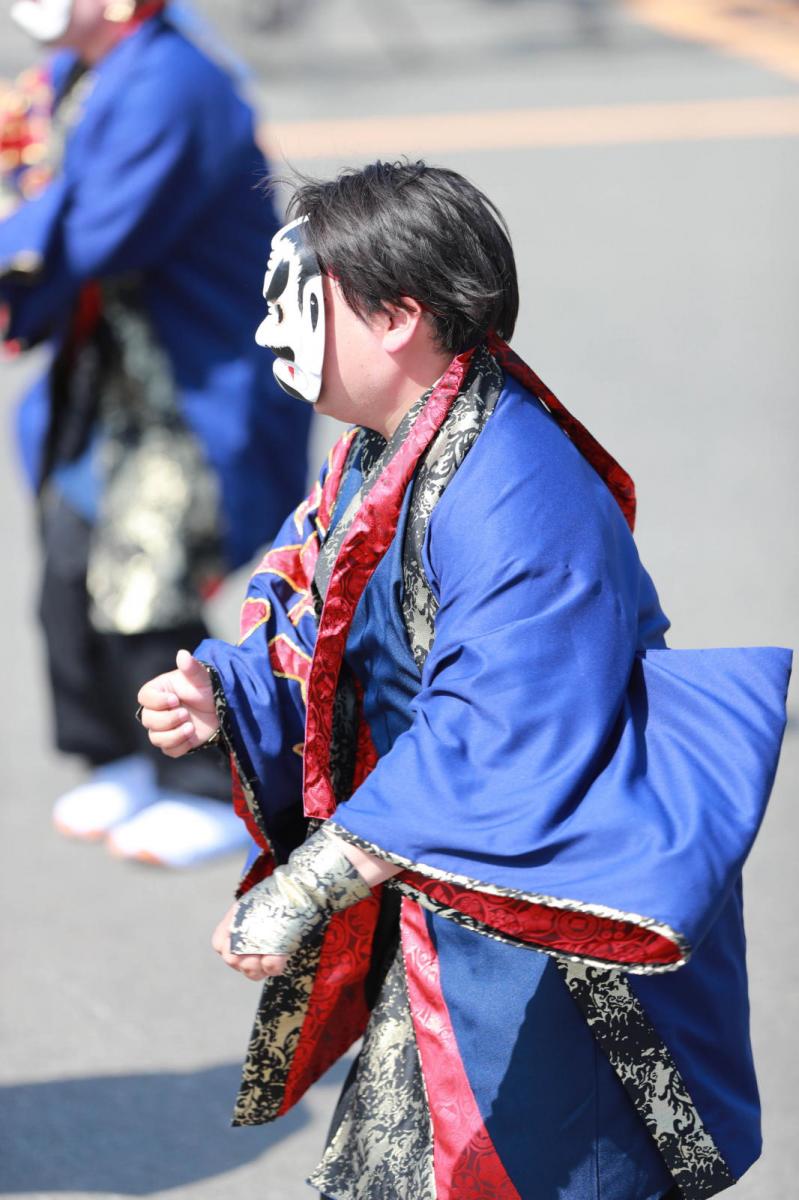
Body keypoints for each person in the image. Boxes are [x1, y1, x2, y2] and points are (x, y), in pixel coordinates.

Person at [137, 161, 791, 1197]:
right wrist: (230, 692)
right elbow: (321, 623)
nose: (271, 333)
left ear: (398, 317)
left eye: (300, 305)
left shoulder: (516, 490)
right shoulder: (383, 451)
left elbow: (495, 730)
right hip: (443, 893)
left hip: (548, 927)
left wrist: (305, 890)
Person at [0, 0, 311, 865]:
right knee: (66, 559)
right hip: (113, 367)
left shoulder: (175, 83)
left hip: (195, 373)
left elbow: (92, 228)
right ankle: (124, 755)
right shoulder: (76, 70)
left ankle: (215, 785)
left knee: (146, 579)